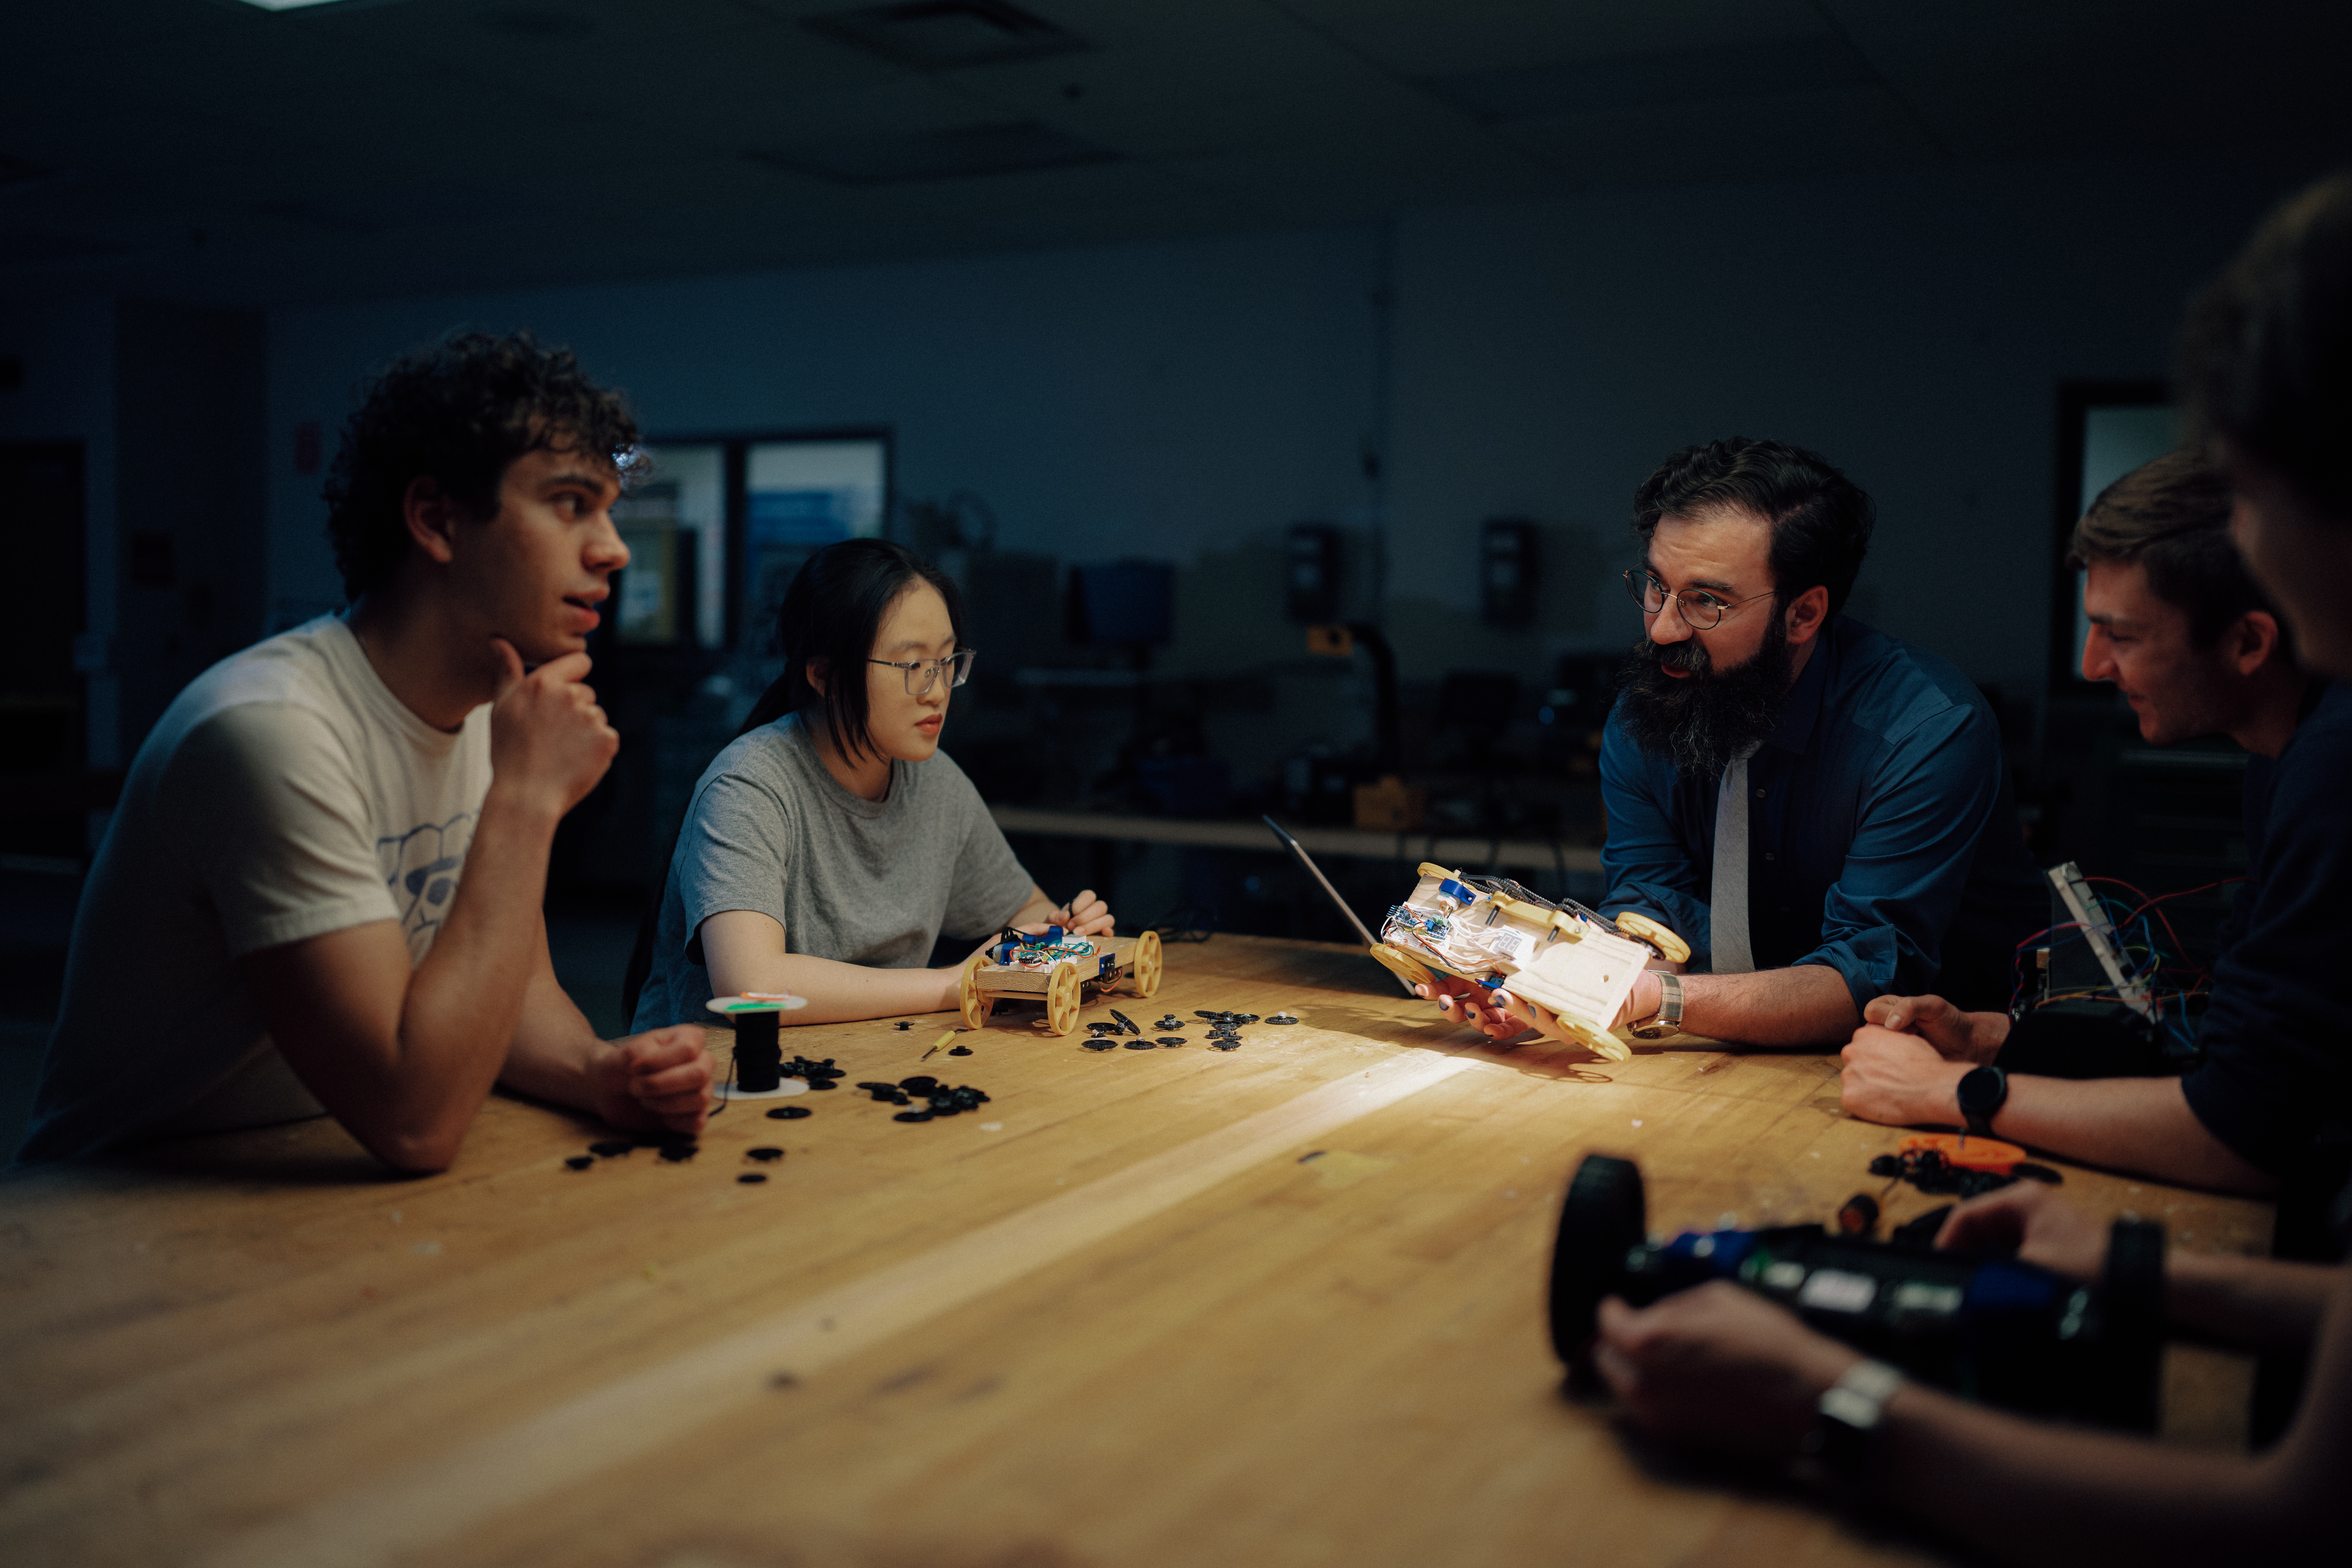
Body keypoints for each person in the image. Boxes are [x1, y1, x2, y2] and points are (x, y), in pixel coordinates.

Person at [1583, 170, 2352, 1560]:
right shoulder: (2297, 753)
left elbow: (2297, 1503)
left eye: (2248, 486)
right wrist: (2143, 1269)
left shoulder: (1937, 723)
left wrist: (1837, 1401)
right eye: (1655, 587)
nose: (1662, 629)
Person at [20, 331, 714, 1171]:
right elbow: (413, 1119)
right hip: (123, 1215)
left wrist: (598, 1071)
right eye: (571, 503)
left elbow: (514, 992)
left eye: (607, 508)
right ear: (435, 519)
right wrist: (527, 799)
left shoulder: (491, 715)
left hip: (318, 1178)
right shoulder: (271, 732)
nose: (614, 548)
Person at [1841, 449, 2351, 1205]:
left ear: (2248, 642)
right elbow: (2227, 1047)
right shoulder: (2279, 758)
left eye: (2122, 634)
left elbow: (2242, 1134)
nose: (2089, 666)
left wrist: (1954, 1092)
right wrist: (1993, 1040)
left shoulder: (2331, 766)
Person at [1429, 438, 2043, 1049]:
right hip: (1725, 1051)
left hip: (1940, 1070)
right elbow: (1653, 915)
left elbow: (1868, 983)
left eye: (1705, 601)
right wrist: (1555, 988)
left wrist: (1655, 998)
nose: (1664, 629)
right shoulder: (1648, 713)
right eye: (1656, 586)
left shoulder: (1925, 731)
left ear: (1803, 616)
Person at [629, 538, 1113, 1031]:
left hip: (866, 1066)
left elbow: (1024, 906)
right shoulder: (750, 786)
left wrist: (1060, 931)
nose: (939, 690)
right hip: (719, 1083)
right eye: (912, 667)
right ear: (827, 676)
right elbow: (752, 983)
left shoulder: (936, 781)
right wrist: (958, 982)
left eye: (947, 662)